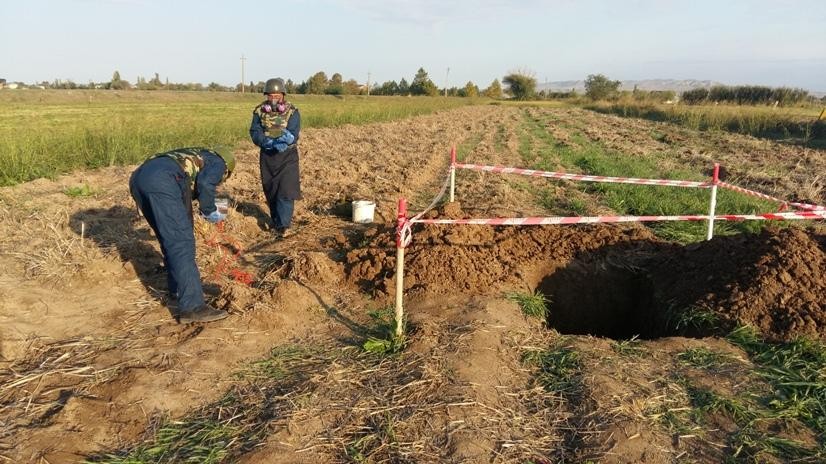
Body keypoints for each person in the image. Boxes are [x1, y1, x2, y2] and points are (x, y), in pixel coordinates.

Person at [129, 146, 236, 323]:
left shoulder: (193, 155)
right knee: (182, 244)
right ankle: (193, 307)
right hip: (163, 180)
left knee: (170, 239)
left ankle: (179, 289)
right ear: (227, 169)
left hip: (139, 178)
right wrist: (210, 211)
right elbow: (205, 183)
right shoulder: (218, 162)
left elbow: (189, 190)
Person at [250, 77, 301, 238]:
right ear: (266, 96)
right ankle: (276, 221)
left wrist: (289, 139)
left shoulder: (292, 111)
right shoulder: (259, 111)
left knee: (285, 190)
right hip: (268, 155)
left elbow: (294, 131)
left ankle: (283, 226)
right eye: (270, 96)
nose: (273, 99)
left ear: (283, 95)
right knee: (271, 189)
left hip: (287, 156)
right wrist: (266, 141)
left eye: (277, 96)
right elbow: (254, 131)